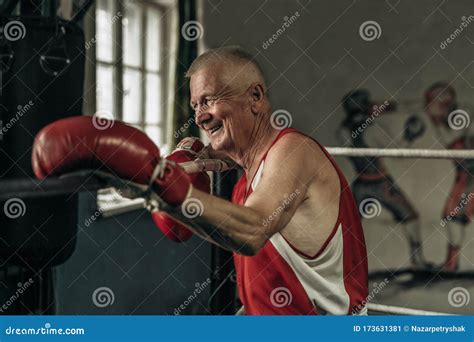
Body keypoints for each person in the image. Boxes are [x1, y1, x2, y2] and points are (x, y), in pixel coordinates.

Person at [32, 46, 368, 315]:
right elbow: (235, 239)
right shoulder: (245, 178)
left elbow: (251, 231)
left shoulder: (294, 151)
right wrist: (159, 192)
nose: (200, 116)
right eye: (195, 106)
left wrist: (159, 180)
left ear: (255, 97)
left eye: (209, 100)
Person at [337, 89, 430, 269]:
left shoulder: (343, 131)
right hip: (381, 183)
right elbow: (398, 152)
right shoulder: (372, 131)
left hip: (361, 184)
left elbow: (394, 107)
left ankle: (341, 266)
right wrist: (410, 136)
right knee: (411, 217)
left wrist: (382, 109)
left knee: (348, 226)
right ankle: (418, 262)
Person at [423, 81, 473, 272]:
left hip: (471, 176)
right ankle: (451, 264)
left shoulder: (463, 117)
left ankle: (451, 265)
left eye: (431, 104)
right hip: (465, 176)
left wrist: (434, 121)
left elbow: (450, 140)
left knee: (453, 215)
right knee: (453, 215)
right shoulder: (447, 120)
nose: (428, 109)